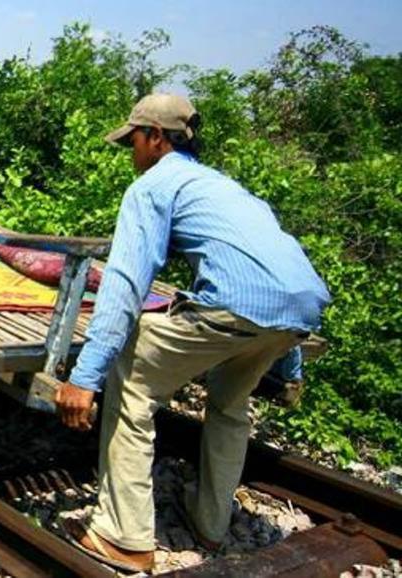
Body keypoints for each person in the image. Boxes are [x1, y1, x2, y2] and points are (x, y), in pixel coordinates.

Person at [54, 94, 330, 572]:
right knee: (229, 399)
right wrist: (289, 366)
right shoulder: (225, 187)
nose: (132, 154)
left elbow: (125, 283)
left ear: (156, 138)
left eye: (134, 141)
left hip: (236, 310)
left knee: (132, 375)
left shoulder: (155, 185)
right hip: (296, 317)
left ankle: (124, 536)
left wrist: (85, 376)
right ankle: (211, 522)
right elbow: (284, 279)